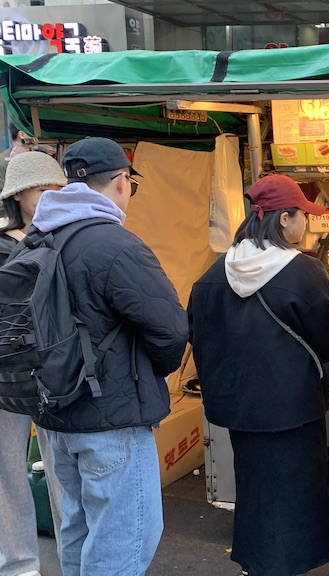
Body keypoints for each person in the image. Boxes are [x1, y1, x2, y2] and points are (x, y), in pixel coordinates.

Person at [29, 137, 188, 576]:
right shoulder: (115, 245)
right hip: (112, 419)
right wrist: (147, 370)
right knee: (124, 541)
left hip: (55, 414)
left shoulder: (38, 239)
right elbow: (171, 330)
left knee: (78, 531)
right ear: (121, 181)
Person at [189, 174, 329, 576]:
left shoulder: (213, 274)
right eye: (301, 216)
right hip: (294, 411)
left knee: (256, 492)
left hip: (239, 412)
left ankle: (255, 566)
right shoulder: (301, 274)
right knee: (296, 497)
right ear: (282, 220)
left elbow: (200, 337)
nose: (305, 223)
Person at [0, 151, 66, 576]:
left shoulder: (66, 235)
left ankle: (75, 555)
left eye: (60, 190)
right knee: (7, 472)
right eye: (44, 190)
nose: (53, 199)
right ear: (19, 194)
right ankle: (19, 564)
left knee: (64, 468)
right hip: (6, 372)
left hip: (57, 368)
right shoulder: (5, 244)